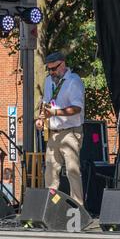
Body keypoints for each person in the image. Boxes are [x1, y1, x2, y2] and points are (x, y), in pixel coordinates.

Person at [35, 52, 85, 206]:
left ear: (62, 64)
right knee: (50, 173)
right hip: (53, 133)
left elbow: (77, 108)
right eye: (49, 69)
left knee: (72, 171)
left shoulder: (73, 81)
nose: (51, 72)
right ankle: (50, 208)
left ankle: (78, 207)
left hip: (70, 132)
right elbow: (46, 103)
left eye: (54, 69)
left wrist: (55, 112)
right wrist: (41, 118)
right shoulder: (48, 80)